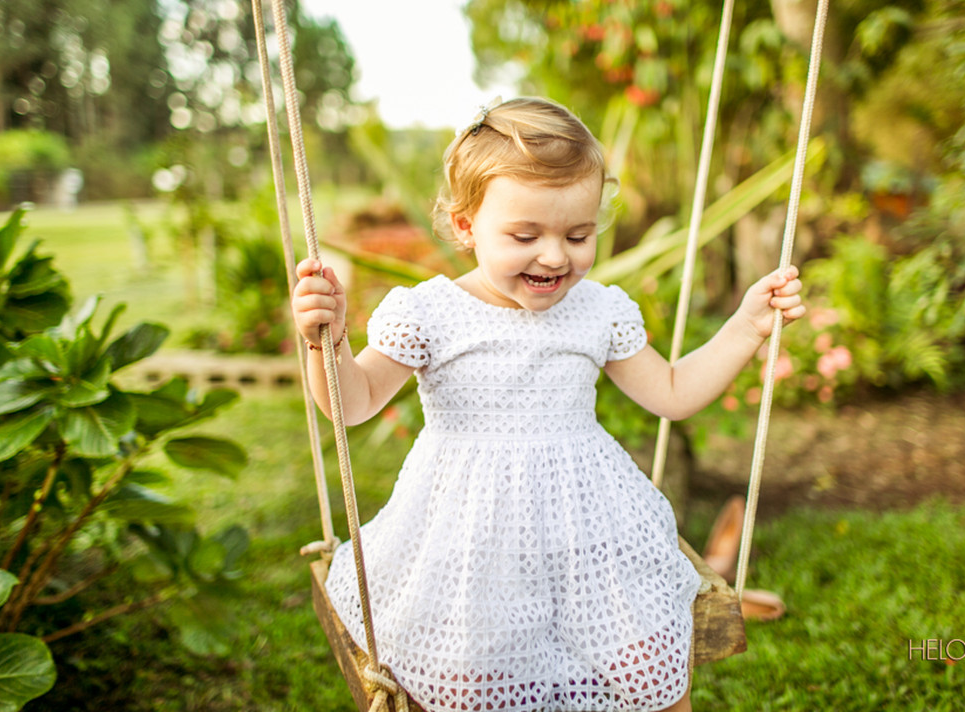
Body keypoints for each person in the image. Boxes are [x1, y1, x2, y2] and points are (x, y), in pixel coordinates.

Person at [292, 97, 804, 712]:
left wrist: (747, 326)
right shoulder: (430, 312)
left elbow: (673, 392)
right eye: (525, 235)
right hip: (471, 542)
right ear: (465, 226)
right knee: (467, 680)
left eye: (578, 235)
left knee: (650, 668)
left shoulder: (597, 309)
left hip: (589, 536)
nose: (556, 255)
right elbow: (352, 404)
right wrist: (328, 343)